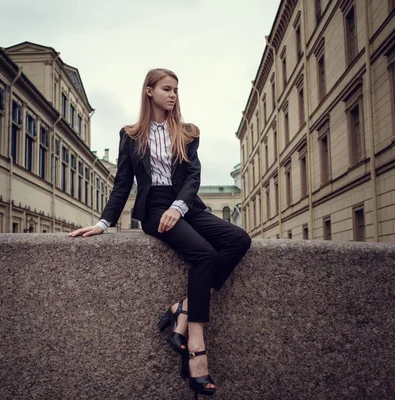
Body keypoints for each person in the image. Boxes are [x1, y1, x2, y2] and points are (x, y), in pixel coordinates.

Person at [69, 68, 251, 398]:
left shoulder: (187, 132)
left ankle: (182, 309)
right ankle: (196, 342)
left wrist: (179, 207)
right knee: (205, 255)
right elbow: (122, 183)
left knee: (239, 239)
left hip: (186, 205)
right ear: (149, 91)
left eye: (176, 90)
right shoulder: (131, 135)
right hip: (154, 209)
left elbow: (193, 177)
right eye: (167, 89)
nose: (173, 95)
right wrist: (103, 223)